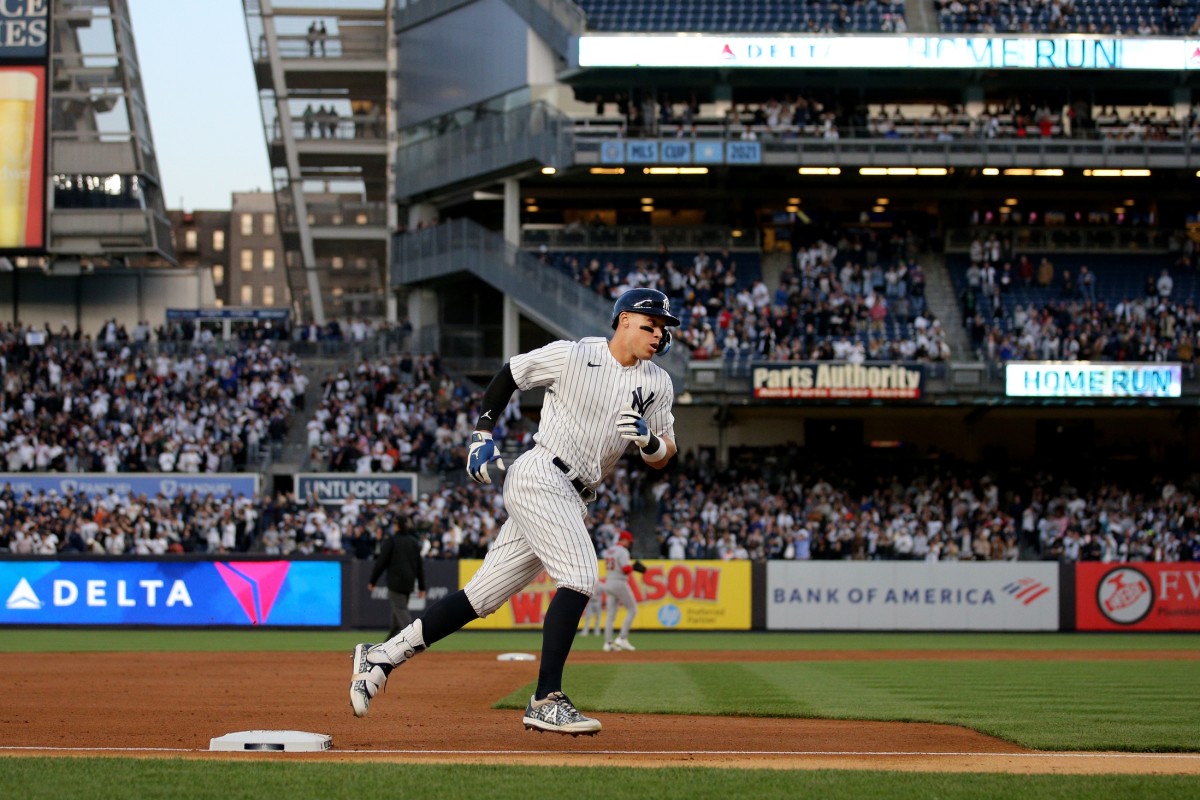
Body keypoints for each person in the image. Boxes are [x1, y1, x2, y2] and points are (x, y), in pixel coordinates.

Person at [349, 287, 680, 735]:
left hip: (574, 494)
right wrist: (482, 433)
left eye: (663, 328)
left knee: (480, 598)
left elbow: (666, 455)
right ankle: (546, 698)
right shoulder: (574, 355)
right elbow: (512, 373)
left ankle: (382, 655)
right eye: (650, 325)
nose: (658, 334)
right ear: (623, 320)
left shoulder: (658, 383)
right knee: (581, 576)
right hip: (542, 473)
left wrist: (651, 442)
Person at [367, 517, 427, 640]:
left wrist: (373, 581)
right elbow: (419, 566)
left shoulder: (392, 541)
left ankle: (414, 638)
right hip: (409, 583)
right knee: (397, 622)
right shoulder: (413, 542)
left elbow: (381, 562)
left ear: (397, 526)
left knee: (402, 614)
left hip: (395, 583)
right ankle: (385, 648)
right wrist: (421, 586)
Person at [602, 530, 642, 652]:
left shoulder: (609, 551)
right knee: (633, 609)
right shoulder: (623, 551)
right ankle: (622, 638)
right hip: (619, 582)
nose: (630, 544)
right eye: (629, 541)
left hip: (608, 582)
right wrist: (634, 567)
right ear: (623, 540)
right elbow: (625, 569)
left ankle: (608, 643)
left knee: (611, 614)